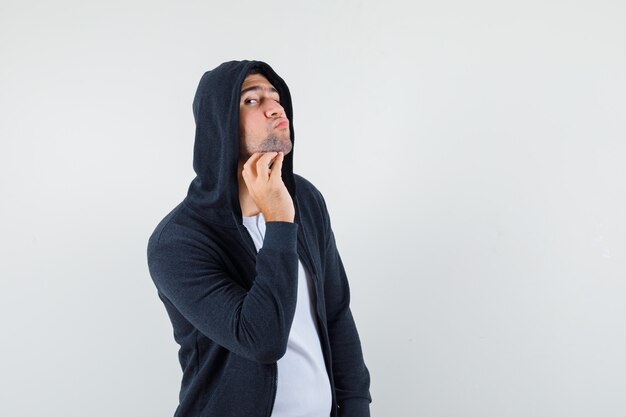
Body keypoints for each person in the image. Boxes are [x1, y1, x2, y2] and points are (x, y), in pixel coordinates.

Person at [147, 60, 371, 417]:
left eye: (276, 96)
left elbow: (335, 312)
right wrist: (279, 220)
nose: (274, 107)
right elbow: (262, 339)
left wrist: (356, 404)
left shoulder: (305, 201)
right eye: (251, 100)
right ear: (219, 126)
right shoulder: (177, 242)